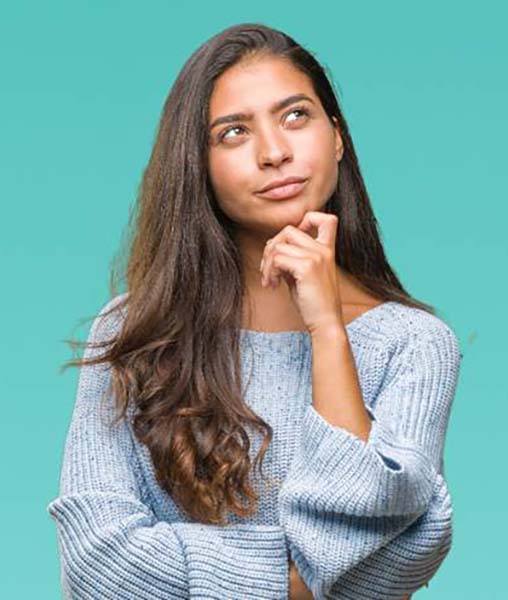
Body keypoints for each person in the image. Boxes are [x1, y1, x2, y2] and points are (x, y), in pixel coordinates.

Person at [46, 22, 462, 599]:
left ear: (337, 138)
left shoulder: (413, 343)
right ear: (200, 165)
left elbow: (383, 564)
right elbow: (100, 565)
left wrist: (326, 329)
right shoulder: (131, 331)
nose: (274, 152)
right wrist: (297, 578)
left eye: (296, 116)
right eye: (234, 132)